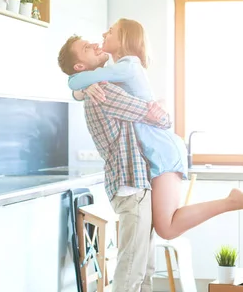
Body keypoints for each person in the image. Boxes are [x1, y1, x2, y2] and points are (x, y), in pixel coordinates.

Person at [64, 19, 243, 241]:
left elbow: (79, 80)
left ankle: (231, 201)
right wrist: (82, 89)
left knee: (167, 228)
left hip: (161, 150)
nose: (104, 33)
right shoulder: (117, 71)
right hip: (154, 152)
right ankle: (231, 201)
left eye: (111, 31)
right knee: (164, 227)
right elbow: (77, 83)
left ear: (124, 39)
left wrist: (83, 86)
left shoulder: (127, 66)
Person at [58, 39, 164, 292]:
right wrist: (163, 110)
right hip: (131, 184)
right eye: (86, 47)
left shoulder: (96, 87)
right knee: (131, 268)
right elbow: (157, 117)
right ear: (81, 65)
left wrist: (79, 90)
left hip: (136, 184)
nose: (96, 44)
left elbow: (75, 86)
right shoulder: (103, 91)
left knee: (143, 268)